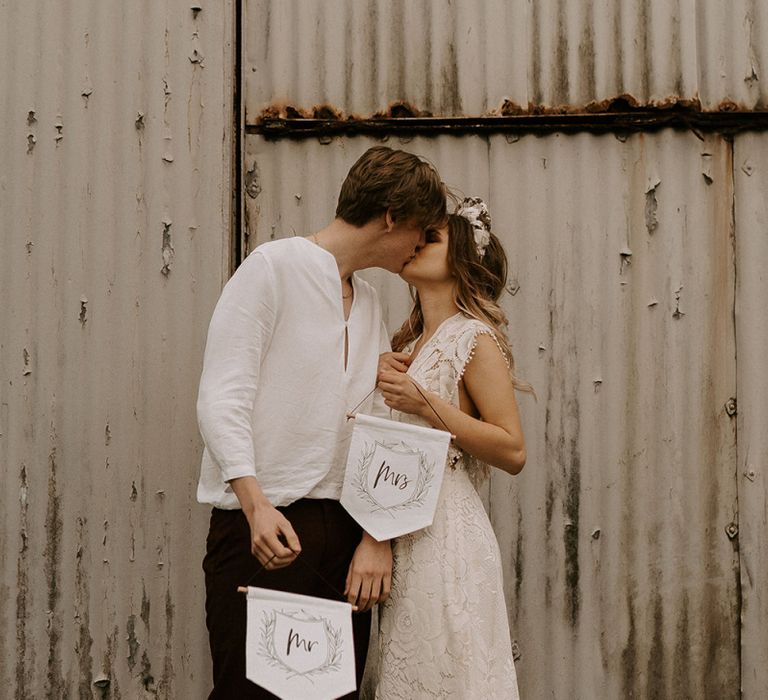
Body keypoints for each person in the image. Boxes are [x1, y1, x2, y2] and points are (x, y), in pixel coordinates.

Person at [196, 146, 447, 699]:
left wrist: (376, 537)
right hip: (266, 529)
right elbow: (222, 396)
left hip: (345, 542)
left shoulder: (372, 301)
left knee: (332, 696)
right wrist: (256, 503)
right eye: (421, 232)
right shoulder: (272, 268)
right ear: (390, 217)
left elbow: (380, 423)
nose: (419, 247)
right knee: (251, 694)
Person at [375, 198, 529, 699]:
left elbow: (512, 450)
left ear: (462, 259)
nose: (415, 243)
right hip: (403, 531)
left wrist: (424, 404)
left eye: (431, 239)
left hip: (446, 534)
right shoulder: (410, 342)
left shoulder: (473, 338)